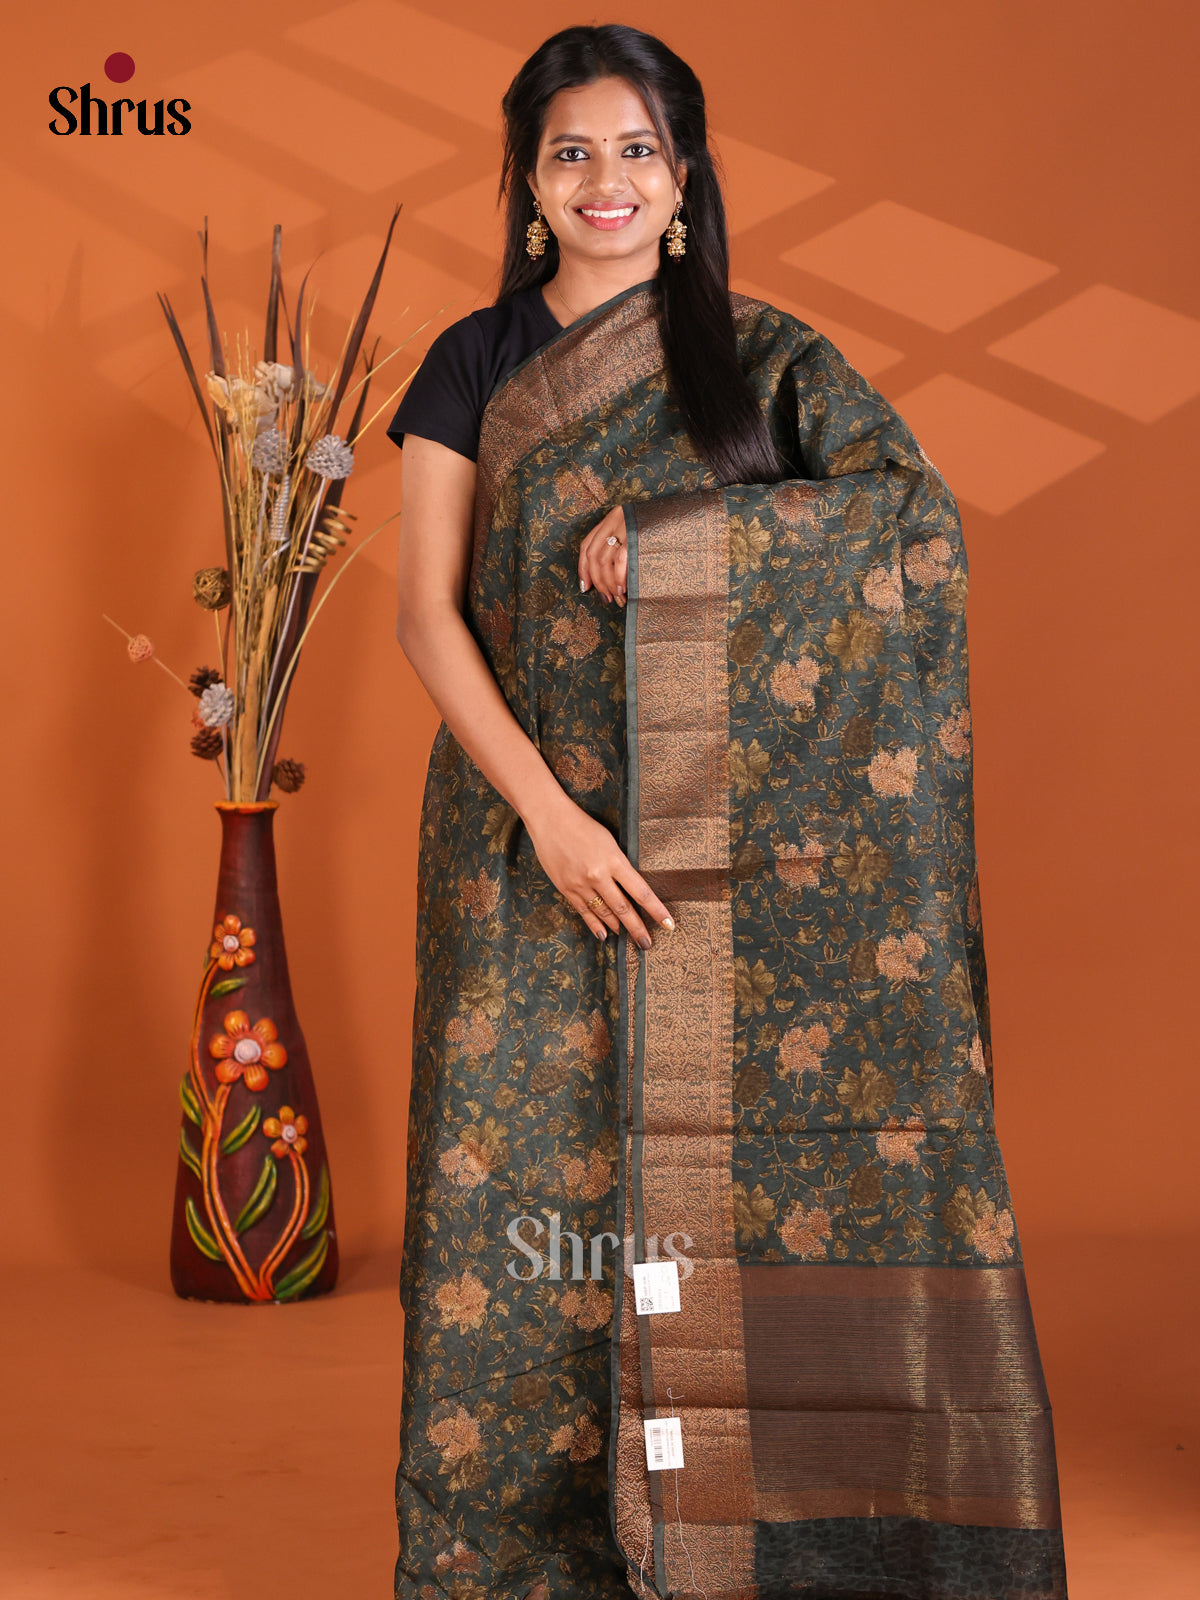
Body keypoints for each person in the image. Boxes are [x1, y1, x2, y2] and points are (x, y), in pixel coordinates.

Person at [387, 22, 1068, 1600]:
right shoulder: (472, 363)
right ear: (526, 184)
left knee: (735, 1198)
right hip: (522, 848)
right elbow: (426, 614)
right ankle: (528, 1563)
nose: (605, 181)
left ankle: (753, 1546)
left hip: (736, 871)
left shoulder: (768, 362)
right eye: (570, 153)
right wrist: (551, 821)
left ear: (684, 178)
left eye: (637, 150)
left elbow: (912, 529)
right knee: (516, 1206)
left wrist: (684, 530)